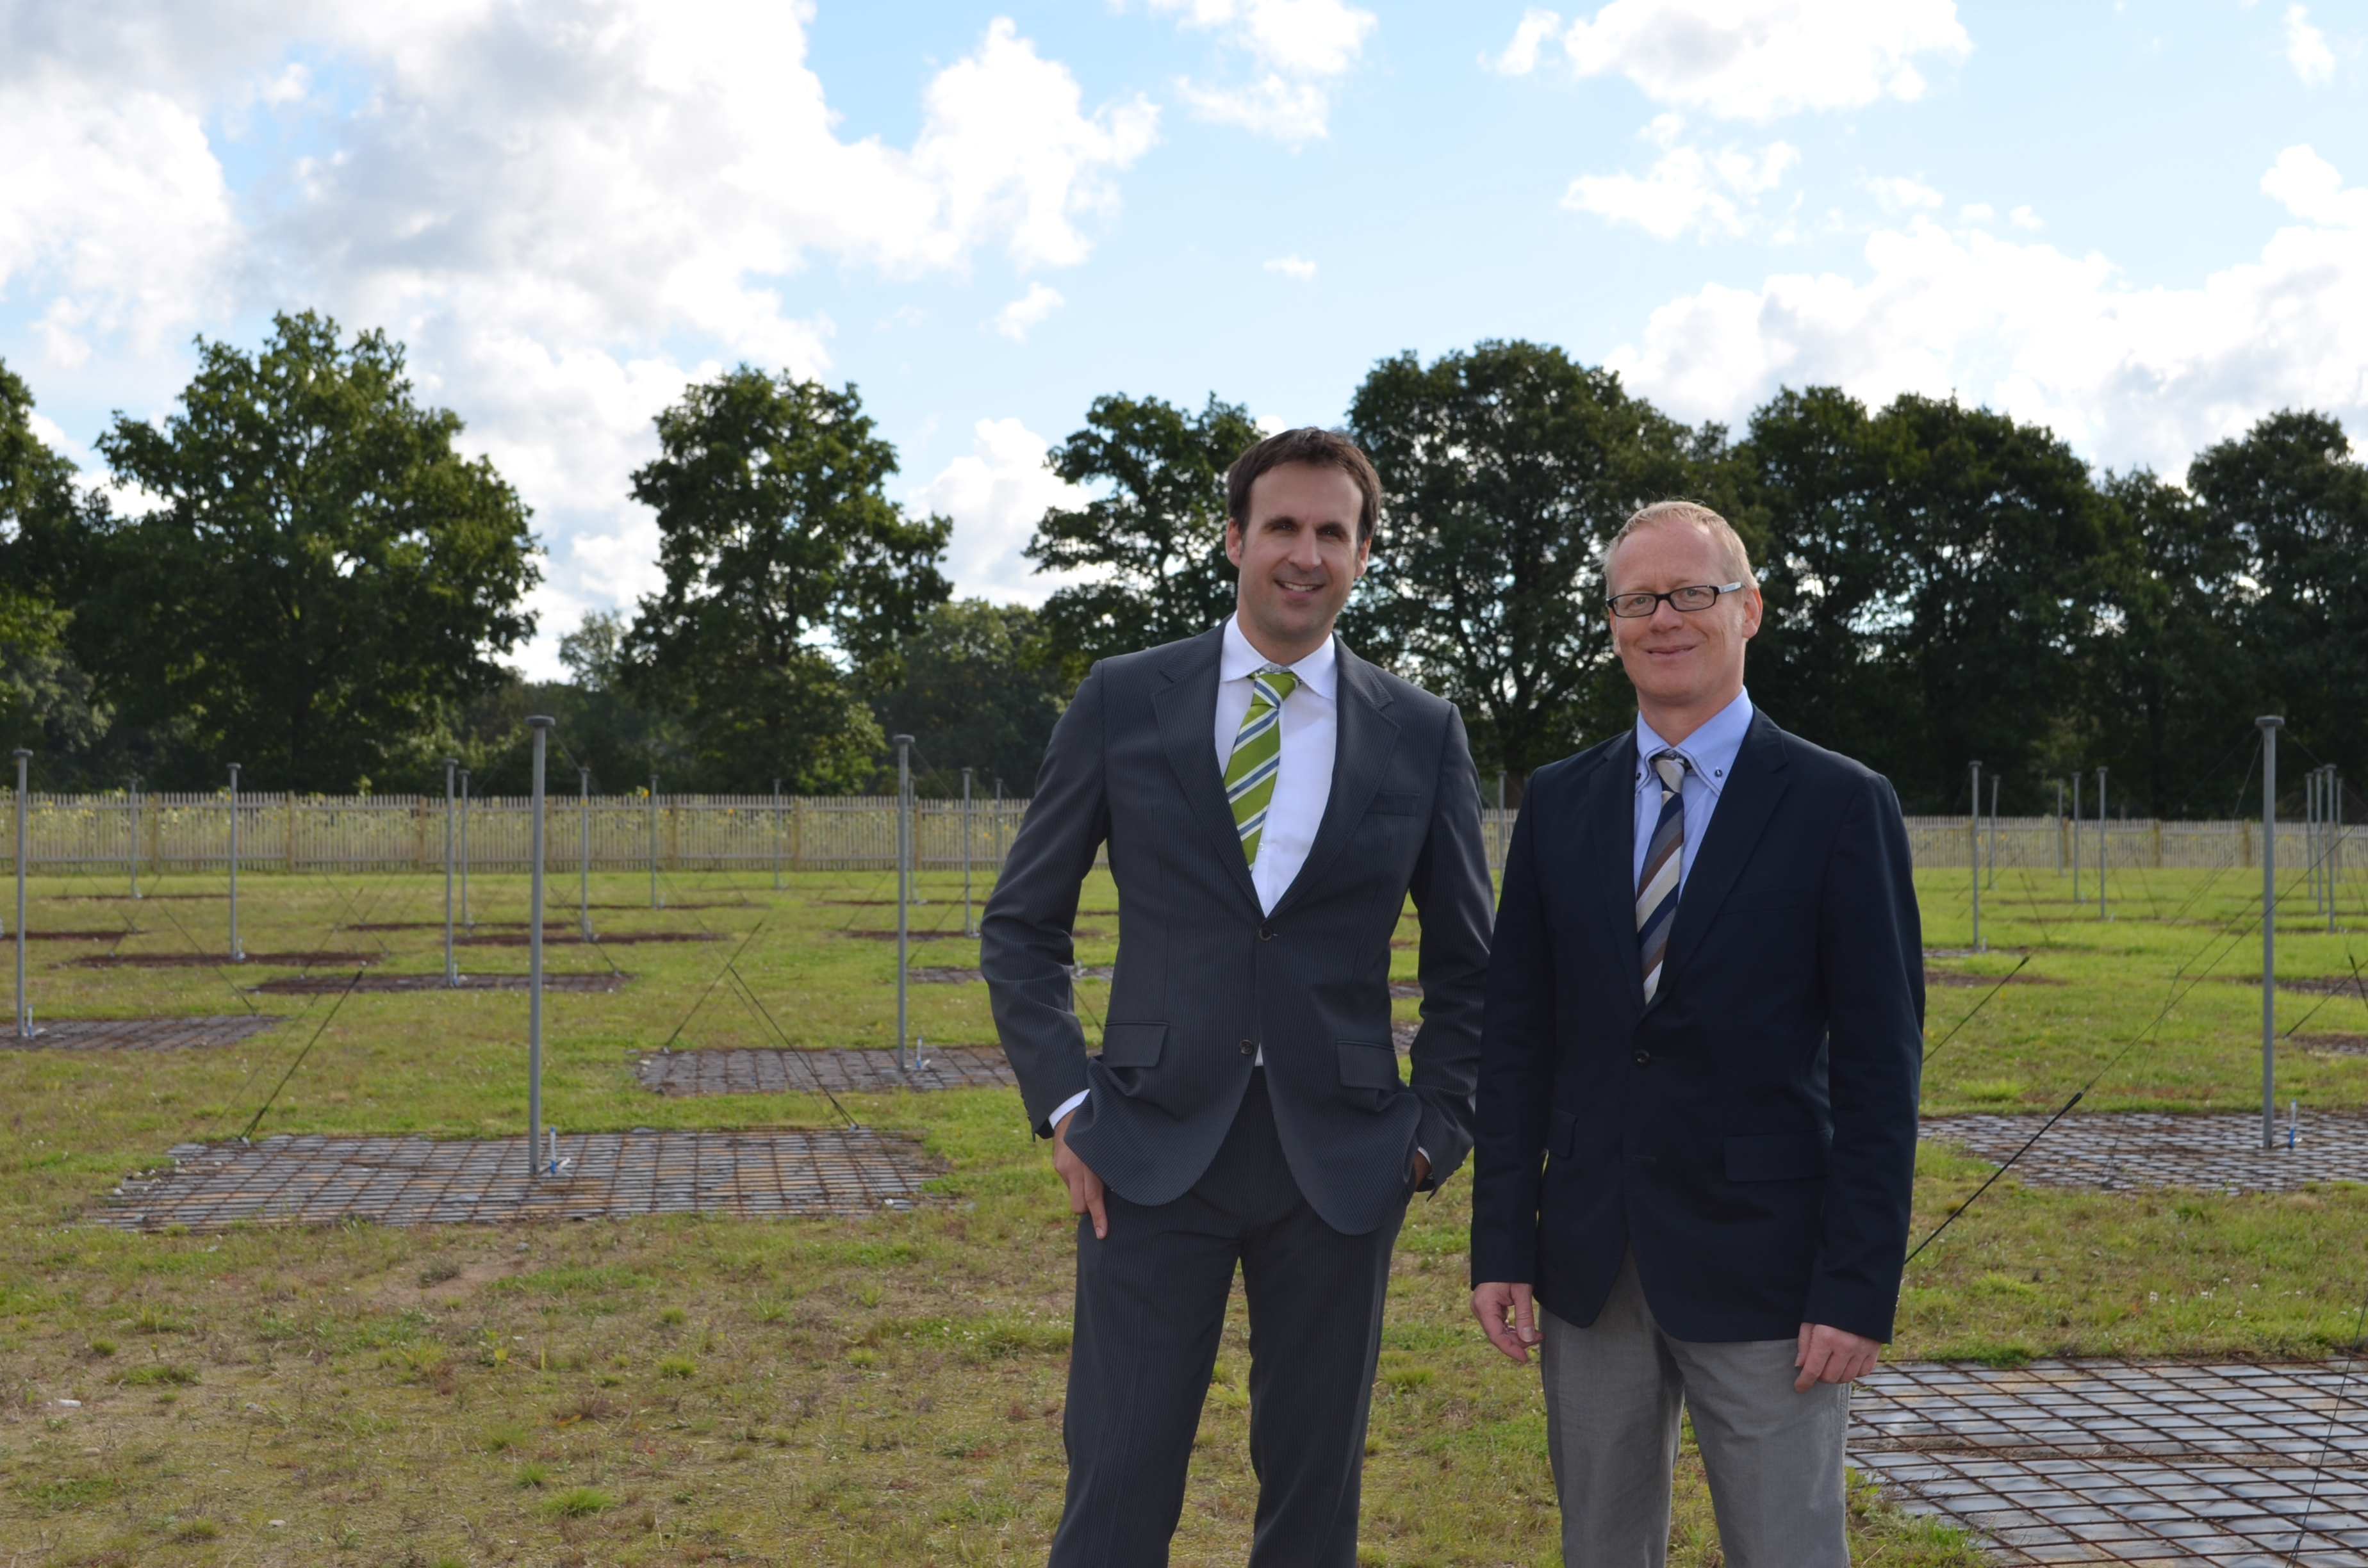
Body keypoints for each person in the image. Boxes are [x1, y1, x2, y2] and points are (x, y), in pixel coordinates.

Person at [982, 427, 1493, 1568]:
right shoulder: (1123, 699)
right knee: (1116, 1486)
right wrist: (1067, 1106)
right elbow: (1022, 925)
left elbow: (1472, 963)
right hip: (1147, 1147)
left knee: (1314, 1504)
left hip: (1344, 1162)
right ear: (1233, 539)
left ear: (1363, 554)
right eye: (1283, 527)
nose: (1306, 554)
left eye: (1332, 533)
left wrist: (1435, 1131)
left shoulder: (1421, 731)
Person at [1467, 500, 1923, 1568]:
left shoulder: (1840, 803)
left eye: (1690, 594)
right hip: (1589, 1262)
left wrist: (1857, 1287)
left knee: (1787, 1549)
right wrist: (1503, 1243)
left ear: (1748, 609)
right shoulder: (1559, 803)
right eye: (1635, 600)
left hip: (1770, 1270)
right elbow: (1517, 1039)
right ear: (1612, 622)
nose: (1661, 619)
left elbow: (1880, 1067)